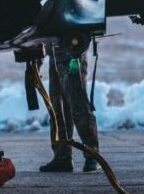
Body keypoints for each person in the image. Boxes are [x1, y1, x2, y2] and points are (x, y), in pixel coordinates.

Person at [39, 41, 100, 173]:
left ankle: (92, 155)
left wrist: (76, 53)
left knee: (79, 106)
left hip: (72, 57)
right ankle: (62, 157)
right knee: (57, 110)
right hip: (55, 58)